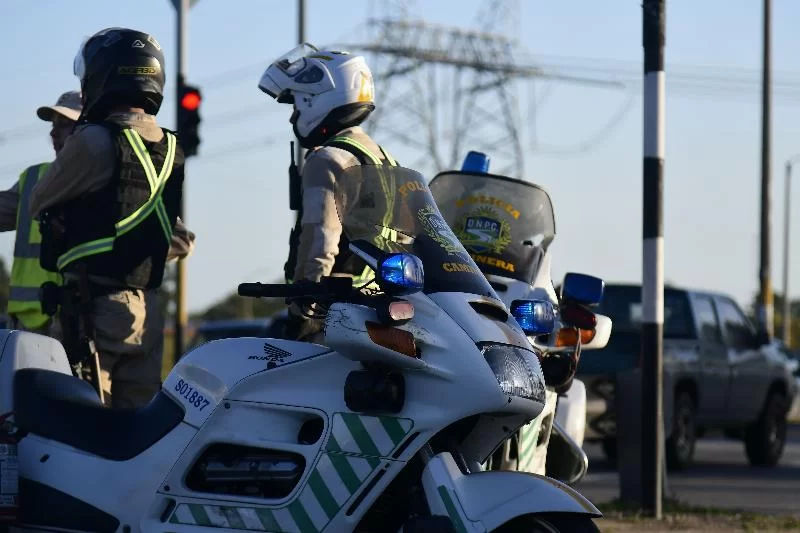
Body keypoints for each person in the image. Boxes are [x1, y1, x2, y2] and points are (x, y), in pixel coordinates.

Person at [30, 27, 195, 409]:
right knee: (137, 430)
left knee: (80, 422)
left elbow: (40, 199)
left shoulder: (91, 141)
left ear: (101, 76)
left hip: (94, 306)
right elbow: (173, 231)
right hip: (149, 311)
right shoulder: (171, 147)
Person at [258, 44, 398, 342]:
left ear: (315, 100)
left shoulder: (327, 160)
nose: (293, 116)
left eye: (296, 105)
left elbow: (320, 241)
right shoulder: (383, 158)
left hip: (333, 311)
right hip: (382, 307)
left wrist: (305, 306)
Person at [0, 91, 83, 338]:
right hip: (24, 325)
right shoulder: (33, 179)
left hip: (72, 323)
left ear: (88, 131)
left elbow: (174, 238)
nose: (53, 133)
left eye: (64, 125)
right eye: (53, 125)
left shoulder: (104, 181)